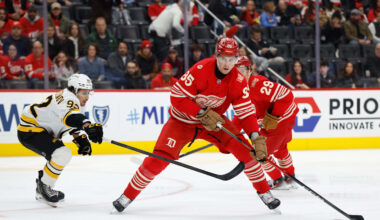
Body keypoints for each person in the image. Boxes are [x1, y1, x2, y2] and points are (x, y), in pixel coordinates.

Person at [112, 37, 281, 213]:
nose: (226, 63)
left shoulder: (238, 81)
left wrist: (255, 136)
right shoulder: (201, 69)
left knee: (248, 152)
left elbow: (246, 113)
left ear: (237, 59)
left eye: (231, 59)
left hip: (214, 124)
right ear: (217, 55)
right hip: (182, 122)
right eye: (223, 58)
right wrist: (201, 113)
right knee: (158, 160)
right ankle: (127, 196)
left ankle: (265, 193)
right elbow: (177, 97)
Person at [17, 73, 103, 207]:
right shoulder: (66, 99)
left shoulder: (75, 99)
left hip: (40, 130)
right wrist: (87, 126)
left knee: (60, 154)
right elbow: (71, 117)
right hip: (30, 130)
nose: (87, 96)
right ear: (74, 90)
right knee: (62, 154)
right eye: (84, 92)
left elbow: (72, 121)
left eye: (89, 93)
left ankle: (43, 186)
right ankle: (44, 187)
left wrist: (81, 139)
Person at [233, 56, 298, 189]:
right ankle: (290, 177)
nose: (239, 74)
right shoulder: (238, 89)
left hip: (282, 122)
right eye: (236, 71)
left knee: (261, 155)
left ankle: (278, 179)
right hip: (278, 122)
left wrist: (273, 116)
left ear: (249, 70)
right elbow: (242, 114)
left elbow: (286, 95)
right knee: (280, 150)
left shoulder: (258, 84)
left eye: (242, 70)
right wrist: (231, 131)